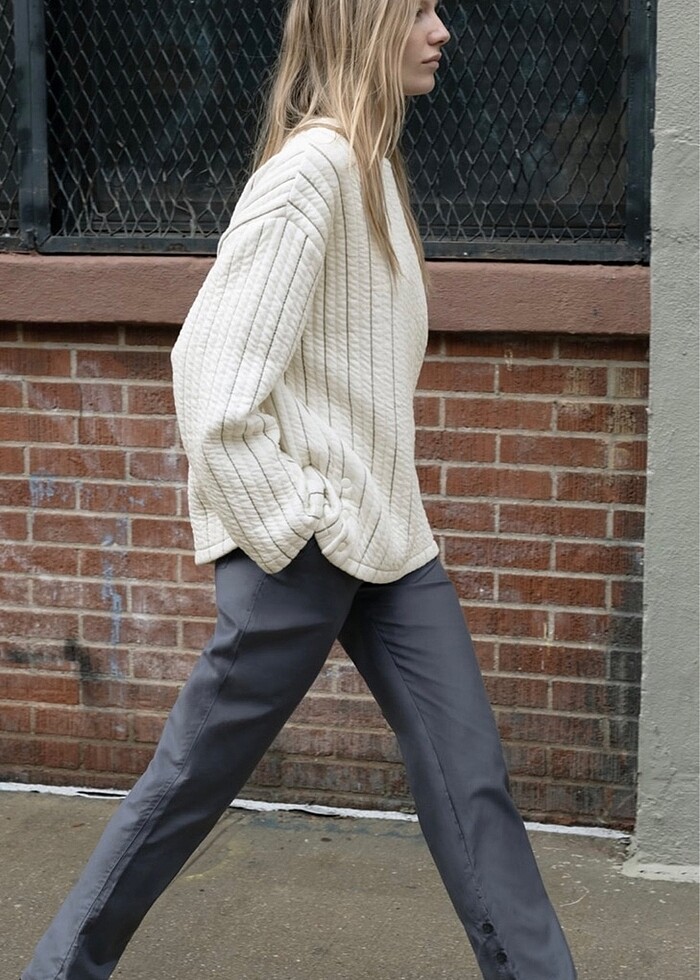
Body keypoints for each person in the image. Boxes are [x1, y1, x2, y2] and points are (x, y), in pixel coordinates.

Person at [22, 1, 577, 978]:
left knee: (471, 779)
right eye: (418, 11)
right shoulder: (310, 172)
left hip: (390, 541)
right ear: (365, 26)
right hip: (305, 543)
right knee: (190, 782)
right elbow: (209, 371)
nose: (442, 30)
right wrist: (291, 524)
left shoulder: (374, 170)